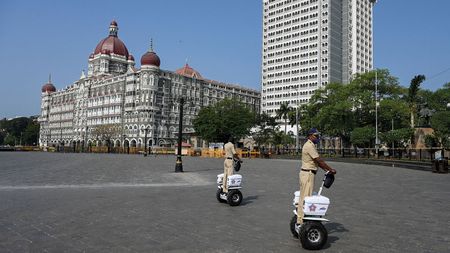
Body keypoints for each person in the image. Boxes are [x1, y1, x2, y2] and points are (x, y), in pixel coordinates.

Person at [296, 128, 336, 228]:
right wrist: (330, 169)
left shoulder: (310, 145)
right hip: (307, 174)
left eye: (318, 135)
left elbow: (317, 162)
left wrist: (327, 170)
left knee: (304, 197)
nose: (317, 137)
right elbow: (319, 160)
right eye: (316, 135)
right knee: (305, 198)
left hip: (307, 173)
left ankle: (301, 219)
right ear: (310, 136)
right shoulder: (309, 146)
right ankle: (301, 222)